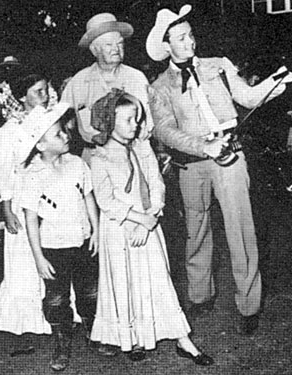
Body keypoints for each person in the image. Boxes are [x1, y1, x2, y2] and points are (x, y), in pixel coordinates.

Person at [146, 4, 292, 335]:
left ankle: (249, 305)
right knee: (196, 230)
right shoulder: (159, 86)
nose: (191, 43)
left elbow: (247, 95)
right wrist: (203, 146)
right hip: (193, 163)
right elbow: (165, 131)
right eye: (182, 38)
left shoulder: (219, 66)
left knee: (240, 229)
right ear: (167, 46)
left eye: (191, 35)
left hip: (230, 155)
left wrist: (275, 83)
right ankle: (200, 296)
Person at [89, 89, 213, 366]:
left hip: (148, 224)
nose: (136, 125)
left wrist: (152, 216)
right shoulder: (99, 159)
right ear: (110, 123)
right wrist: (137, 219)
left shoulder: (142, 149)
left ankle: (183, 340)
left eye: (137, 119)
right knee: (126, 281)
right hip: (120, 229)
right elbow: (106, 201)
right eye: (129, 120)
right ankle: (131, 336)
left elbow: (157, 184)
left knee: (159, 280)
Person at [20, 103, 99, 372]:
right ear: (40, 146)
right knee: (56, 298)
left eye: (64, 131)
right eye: (57, 135)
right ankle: (61, 340)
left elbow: (88, 196)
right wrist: (39, 257)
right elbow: (30, 218)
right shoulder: (33, 175)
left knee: (90, 290)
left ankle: (93, 331)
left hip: (83, 240)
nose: (66, 136)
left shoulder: (76, 163)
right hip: (54, 246)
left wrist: (96, 230)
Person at [0, 73, 52, 355]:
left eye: (46, 91)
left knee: (53, 256)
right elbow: (3, 170)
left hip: (52, 199)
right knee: (22, 263)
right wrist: (7, 207)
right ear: (22, 97)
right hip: (21, 200)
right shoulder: (9, 130)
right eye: (38, 92)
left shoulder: (51, 121)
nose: (45, 96)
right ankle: (25, 326)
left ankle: (59, 317)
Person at [61, 12, 154, 164]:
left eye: (120, 43)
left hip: (134, 155)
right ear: (94, 50)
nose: (116, 49)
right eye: (108, 45)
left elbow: (151, 120)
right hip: (95, 157)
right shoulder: (78, 82)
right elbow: (63, 122)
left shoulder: (137, 78)